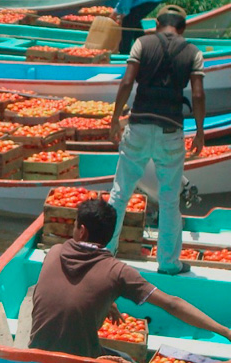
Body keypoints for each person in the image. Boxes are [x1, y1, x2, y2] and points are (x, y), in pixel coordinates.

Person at [28, 199, 231, 358]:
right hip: (79, 361)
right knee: (127, 360)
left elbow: (72, 288)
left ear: (81, 231)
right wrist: (225, 331)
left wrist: (106, 302)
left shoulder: (54, 252)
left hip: (35, 352)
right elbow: (172, 304)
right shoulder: (117, 272)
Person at [106, 5, 205, 276]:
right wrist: (199, 131)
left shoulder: (142, 43)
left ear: (157, 24)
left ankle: (105, 253)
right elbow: (198, 95)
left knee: (120, 192)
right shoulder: (193, 53)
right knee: (170, 199)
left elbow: (127, 83)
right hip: (170, 131)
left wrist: (115, 119)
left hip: (138, 126)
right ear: (182, 28)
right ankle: (169, 263)